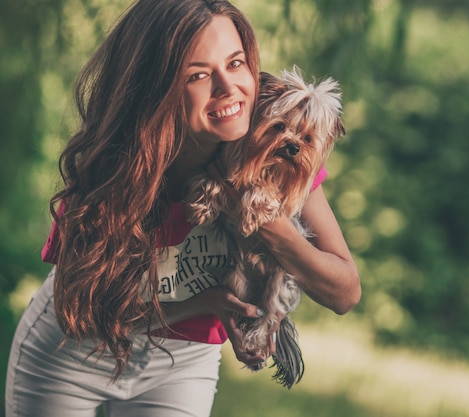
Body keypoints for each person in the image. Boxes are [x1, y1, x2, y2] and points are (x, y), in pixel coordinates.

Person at [4, 0, 361, 416]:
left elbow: (344, 292)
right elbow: (79, 316)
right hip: (72, 354)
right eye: (198, 74)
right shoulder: (114, 168)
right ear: (158, 87)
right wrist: (207, 302)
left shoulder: (273, 157)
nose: (228, 89)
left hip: (182, 363)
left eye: (236, 63)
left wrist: (270, 224)